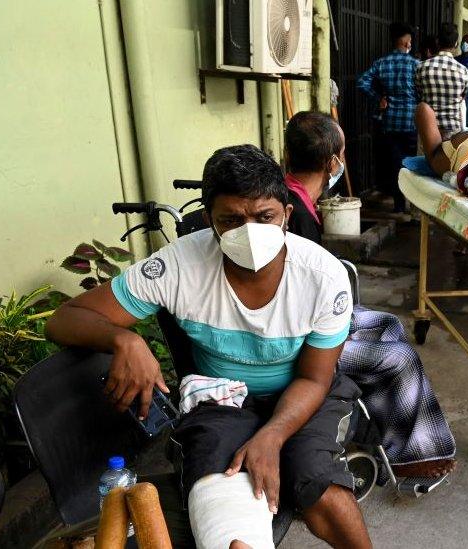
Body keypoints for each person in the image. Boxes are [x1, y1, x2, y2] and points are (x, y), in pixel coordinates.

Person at [45, 145, 372, 549]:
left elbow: (313, 376)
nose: (248, 231)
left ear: (287, 214)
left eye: (264, 216)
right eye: (231, 220)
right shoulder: (179, 266)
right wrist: (123, 338)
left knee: (317, 482)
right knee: (224, 494)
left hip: (305, 393)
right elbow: (64, 319)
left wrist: (272, 437)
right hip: (220, 396)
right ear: (209, 221)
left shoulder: (324, 277)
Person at [283, 112, 458, 477]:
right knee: (401, 358)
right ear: (333, 162)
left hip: (309, 320)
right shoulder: (293, 214)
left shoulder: (293, 198)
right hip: (298, 342)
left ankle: (385, 432)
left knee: (388, 322)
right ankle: (414, 456)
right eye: (342, 154)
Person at [356, 22, 420, 213]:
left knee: (395, 164)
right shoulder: (417, 65)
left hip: (390, 121)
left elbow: (362, 82)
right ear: (408, 42)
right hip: (411, 122)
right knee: (412, 165)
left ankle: (399, 207)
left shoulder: (381, 63)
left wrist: (378, 99)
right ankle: (413, 206)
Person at [415, 22, 468, 140]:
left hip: (427, 129)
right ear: (456, 44)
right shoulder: (464, 71)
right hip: (453, 132)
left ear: (437, 42)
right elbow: (462, 99)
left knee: (425, 159)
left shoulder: (421, 67)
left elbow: (419, 94)